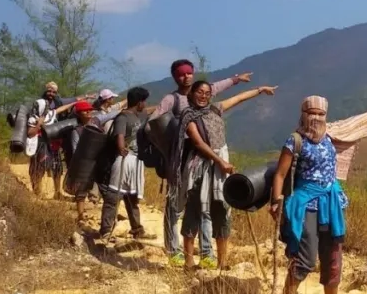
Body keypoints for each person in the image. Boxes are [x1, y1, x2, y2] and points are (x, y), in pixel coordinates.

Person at [269, 96, 367, 294]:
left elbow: (350, 125)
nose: (316, 118)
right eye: (311, 113)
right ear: (303, 115)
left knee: (333, 258)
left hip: (331, 202)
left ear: (326, 116)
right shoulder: (295, 140)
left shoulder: (331, 134)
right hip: (306, 204)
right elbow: (280, 174)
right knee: (304, 259)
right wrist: (275, 202)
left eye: (320, 114)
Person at [148, 59, 253, 268]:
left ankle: (209, 256)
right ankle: (176, 252)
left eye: (189, 73)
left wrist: (239, 81)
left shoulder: (212, 106)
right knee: (185, 208)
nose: (186, 76)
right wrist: (172, 144)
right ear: (176, 77)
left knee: (215, 209)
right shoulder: (174, 101)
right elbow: (155, 122)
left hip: (215, 166)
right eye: (181, 74)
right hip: (188, 163)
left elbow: (223, 91)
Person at [171, 80, 277, 271]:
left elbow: (238, 99)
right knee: (194, 209)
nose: (203, 96)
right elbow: (199, 143)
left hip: (220, 167)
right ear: (192, 94)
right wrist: (220, 162)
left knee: (222, 208)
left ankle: (222, 261)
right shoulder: (188, 115)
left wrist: (260, 89)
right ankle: (188, 261)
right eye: (200, 92)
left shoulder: (215, 109)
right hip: (200, 168)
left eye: (207, 93)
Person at [98, 87, 157, 242]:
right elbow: (120, 135)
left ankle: (137, 229)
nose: (145, 104)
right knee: (113, 195)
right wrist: (121, 147)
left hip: (136, 160)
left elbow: (152, 110)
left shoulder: (140, 115)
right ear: (139, 102)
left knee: (132, 197)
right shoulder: (122, 117)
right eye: (144, 101)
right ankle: (105, 231)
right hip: (125, 159)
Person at [27, 82, 81, 199]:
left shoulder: (52, 111)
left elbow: (60, 109)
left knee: (57, 167)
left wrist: (76, 102)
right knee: (39, 167)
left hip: (53, 142)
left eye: (54, 92)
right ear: (45, 91)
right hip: (39, 142)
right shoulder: (35, 114)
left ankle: (57, 193)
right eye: (49, 91)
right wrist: (39, 124)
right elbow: (30, 133)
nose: (51, 93)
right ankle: (37, 192)